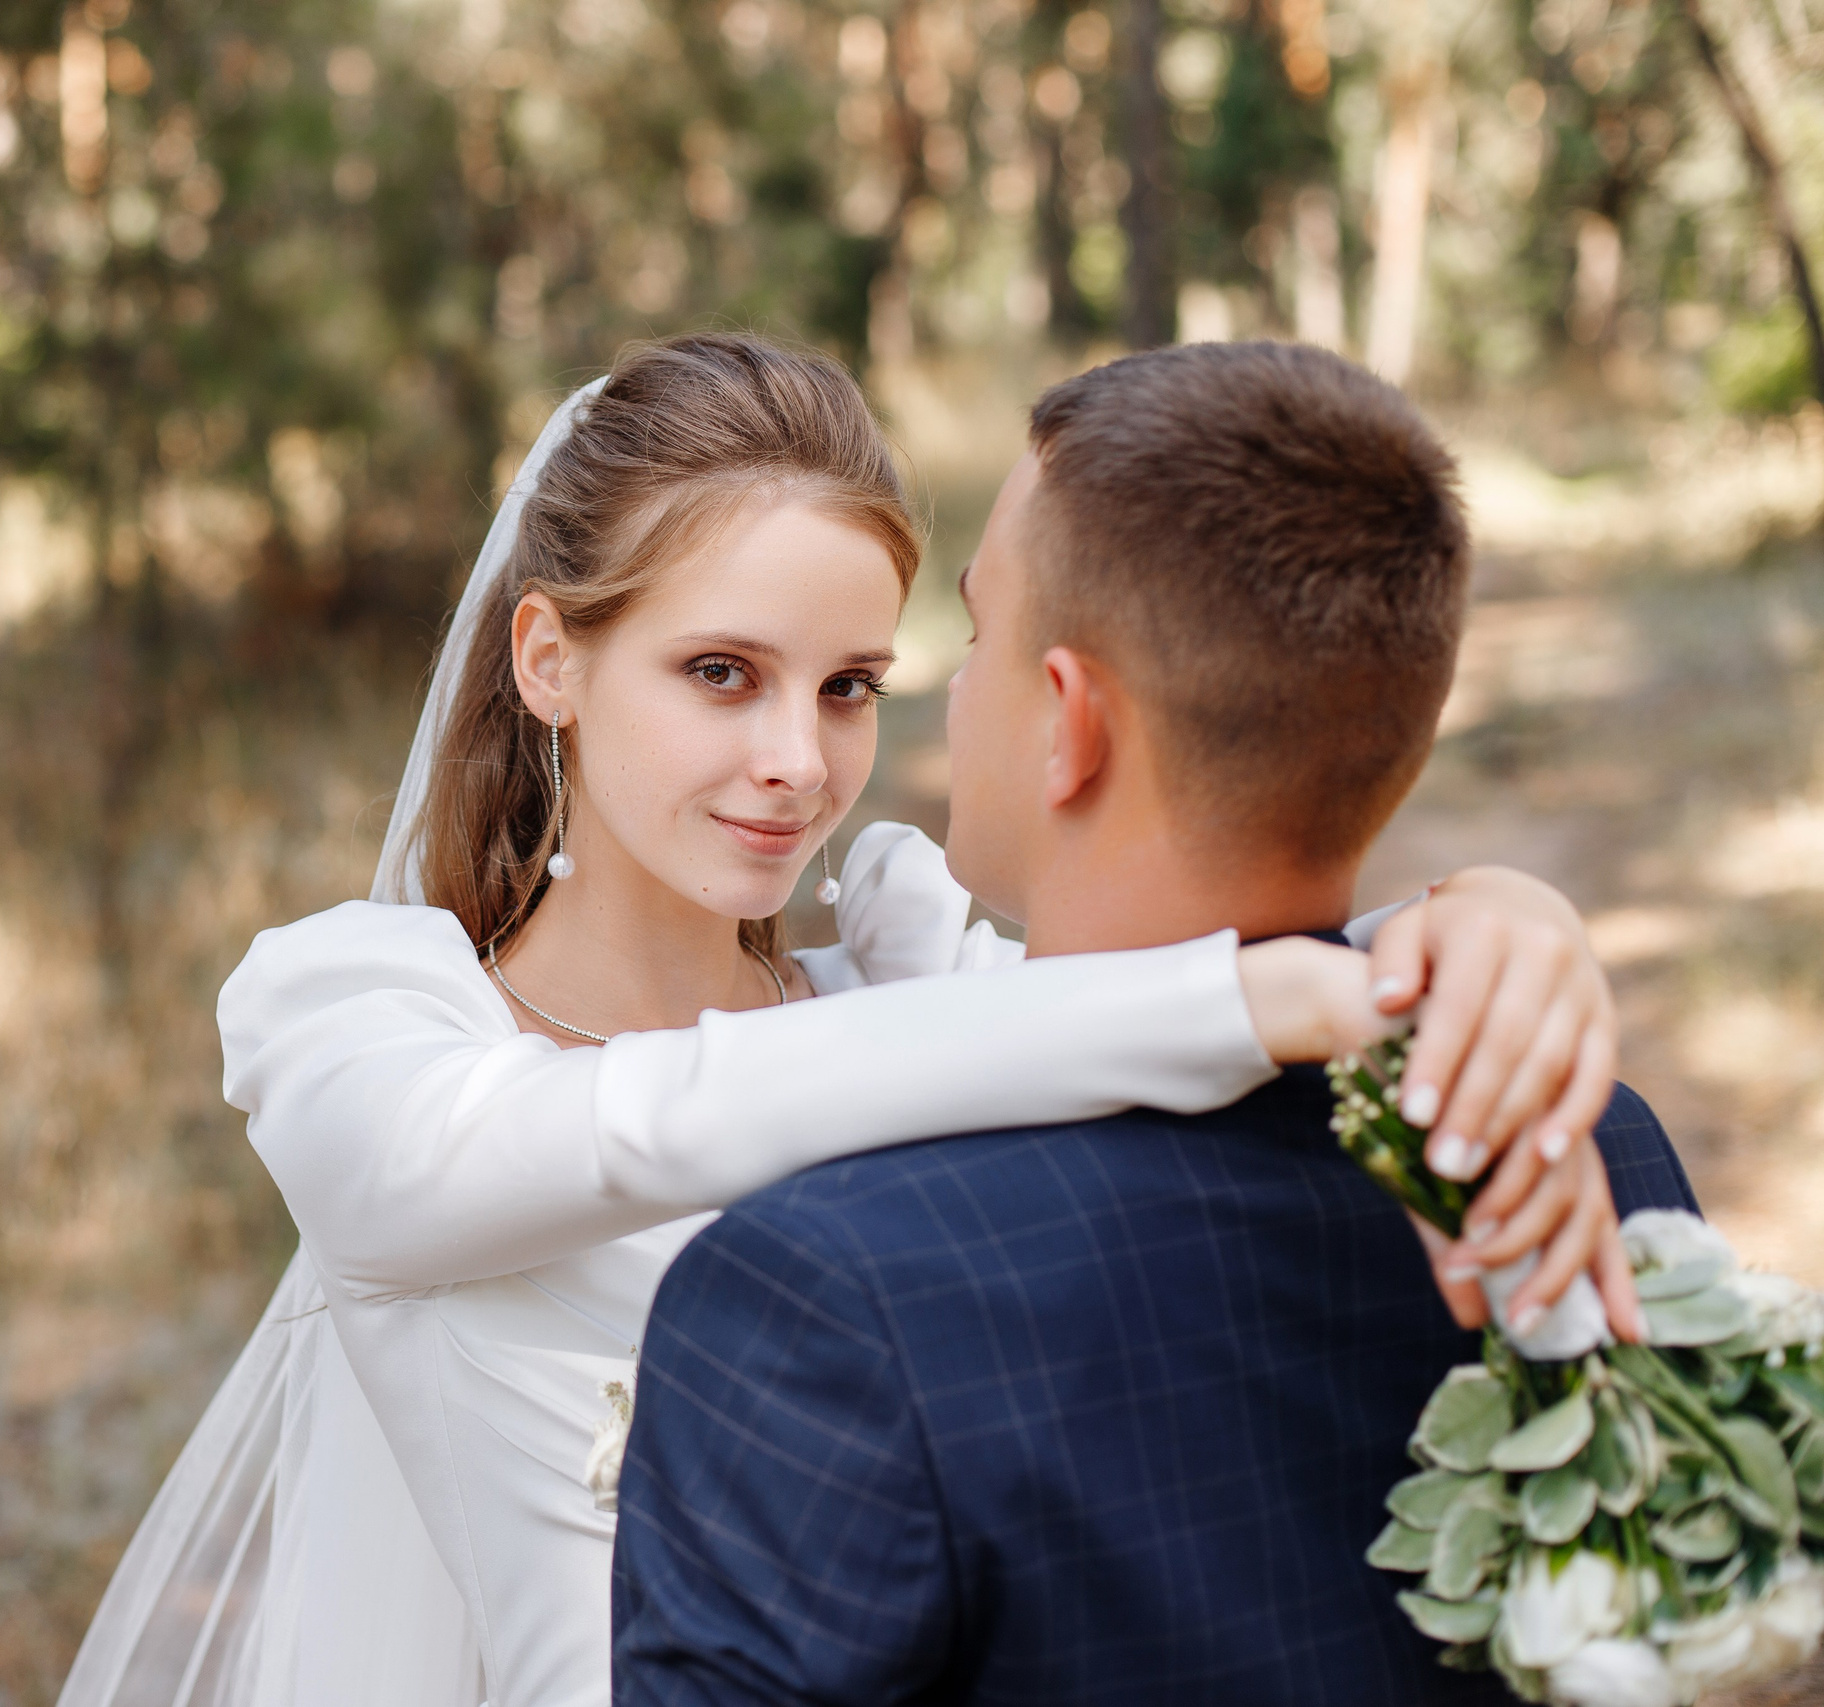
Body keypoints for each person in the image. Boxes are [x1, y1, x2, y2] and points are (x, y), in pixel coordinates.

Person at [57, 335, 1634, 1707]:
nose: (797, 763)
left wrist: (1484, 917)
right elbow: (639, 1124)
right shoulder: (358, 1019)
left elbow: (1137, 1023)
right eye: (723, 672)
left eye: (851, 686)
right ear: (552, 659)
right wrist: (1253, 991)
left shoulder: (904, 981)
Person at [606, 341, 1700, 1707]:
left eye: (983, 636)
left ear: (1069, 722)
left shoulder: (827, 1301)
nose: (947, 689)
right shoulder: (1588, 1153)